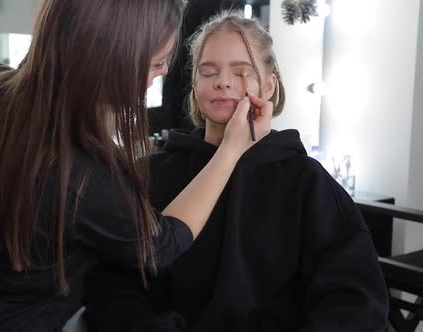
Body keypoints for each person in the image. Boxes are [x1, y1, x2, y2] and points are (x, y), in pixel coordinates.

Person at [0, 1, 273, 331]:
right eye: (155, 63)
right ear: (108, 59)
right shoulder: (86, 175)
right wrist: (230, 152)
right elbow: (161, 246)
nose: (165, 73)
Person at [83, 11, 389, 332]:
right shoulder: (150, 174)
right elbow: (112, 287)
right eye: (207, 71)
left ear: (269, 86)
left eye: (241, 72)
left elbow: (355, 301)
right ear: (195, 83)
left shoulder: (306, 181)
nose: (223, 81)